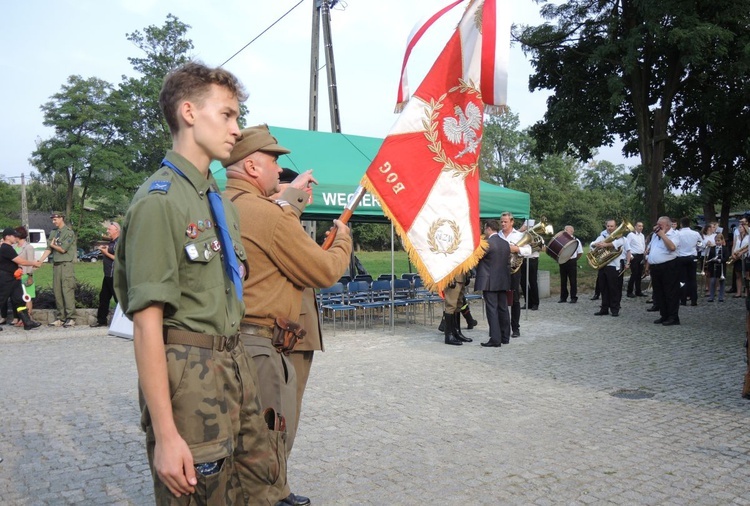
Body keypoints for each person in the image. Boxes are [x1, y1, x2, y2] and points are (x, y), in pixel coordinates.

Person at [113, 62, 285, 505]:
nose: (236, 128)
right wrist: (167, 434)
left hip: (234, 359)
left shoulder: (217, 202)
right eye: (227, 115)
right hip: (190, 373)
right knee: (200, 494)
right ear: (189, 112)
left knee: (258, 486)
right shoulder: (160, 202)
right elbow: (148, 326)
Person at [223, 125, 352, 506]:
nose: (279, 171)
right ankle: (268, 496)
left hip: (226, 340)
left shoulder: (216, 203)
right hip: (262, 342)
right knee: (267, 438)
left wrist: (289, 200)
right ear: (250, 165)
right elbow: (324, 271)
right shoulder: (267, 214)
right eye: (273, 161)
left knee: (237, 437)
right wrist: (343, 236)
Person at [475, 219, 512, 347]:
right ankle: (505, 336)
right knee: (503, 308)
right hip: (502, 281)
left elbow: (476, 258)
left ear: (489, 228)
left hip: (489, 281)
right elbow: (508, 264)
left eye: (485, 229)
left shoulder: (487, 243)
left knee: (492, 310)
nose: (484, 231)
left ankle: (495, 339)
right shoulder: (505, 243)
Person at [38, 212, 77, 327]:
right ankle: (61, 317)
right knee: (57, 292)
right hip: (56, 265)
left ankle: (71, 317)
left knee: (67, 291)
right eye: (53, 219)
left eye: (55, 219)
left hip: (66, 265)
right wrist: (40, 261)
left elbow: (63, 249)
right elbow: (48, 248)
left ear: (61, 218)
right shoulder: (54, 233)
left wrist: (54, 245)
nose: (53, 221)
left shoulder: (69, 233)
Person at [0, 228, 41, 330]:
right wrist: (34, 263)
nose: (16, 238)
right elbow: (20, 261)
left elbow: (16, 263)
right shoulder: (6, 248)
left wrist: (18, 269)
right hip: (6, 278)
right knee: (1, 299)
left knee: (19, 300)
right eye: (14, 236)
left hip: (14, 278)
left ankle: (27, 322)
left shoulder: (9, 248)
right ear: (7, 237)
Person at [497, 212, 529, 337]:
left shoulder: (519, 235)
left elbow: (529, 250)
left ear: (512, 222)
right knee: (501, 299)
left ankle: (515, 328)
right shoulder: (498, 235)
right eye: (502, 221)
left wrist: (517, 249)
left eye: (505, 221)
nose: (503, 224)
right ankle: (503, 328)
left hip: (514, 271)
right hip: (499, 270)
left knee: (515, 300)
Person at [646, 216, 681, 325]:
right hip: (655, 267)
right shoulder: (655, 236)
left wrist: (662, 235)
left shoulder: (675, 235)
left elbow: (672, 247)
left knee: (670, 292)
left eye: (660, 225)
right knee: (659, 293)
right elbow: (651, 250)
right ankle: (664, 315)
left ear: (667, 225)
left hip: (669, 266)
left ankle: (673, 317)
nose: (657, 227)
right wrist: (648, 264)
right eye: (657, 224)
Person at [591, 219, 625, 317]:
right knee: (603, 288)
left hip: (613, 265)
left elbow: (619, 243)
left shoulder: (619, 236)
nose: (609, 228)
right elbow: (592, 244)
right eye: (608, 226)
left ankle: (615, 309)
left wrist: (606, 244)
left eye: (611, 226)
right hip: (602, 265)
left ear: (615, 227)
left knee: (613, 288)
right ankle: (604, 308)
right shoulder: (603, 236)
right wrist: (595, 244)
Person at [91, 221, 120, 327]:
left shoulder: (119, 242)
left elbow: (118, 259)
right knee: (103, 297)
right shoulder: (112, 242)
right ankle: (101, 320)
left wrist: (105, 253)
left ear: (116, 230)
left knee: (118, 299)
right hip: (107, 275)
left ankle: (123, 321)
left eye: (109, 229)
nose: (107, 231)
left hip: (114, 275)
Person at [441, 272, 473, 346]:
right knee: (451, 305)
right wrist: (449, 278)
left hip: (461, 277)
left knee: (458, 305)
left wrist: (467, 275)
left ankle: (457, 332)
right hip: (452, 278)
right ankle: (449, 335)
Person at [676, 217, 702, 306]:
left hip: (681, 257)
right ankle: (694, 299)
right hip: (692, 257)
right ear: (689, 224)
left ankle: (683, 299)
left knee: (682, 280)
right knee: (692, 279)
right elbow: (700, 245)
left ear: (681, 224)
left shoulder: (678, 234)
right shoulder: (695, 234)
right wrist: (695, 248)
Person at [558, 225, 583, 303]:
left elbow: (580, 252)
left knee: (573, 280)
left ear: (572, 231)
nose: (565, 231)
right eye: (565, 230)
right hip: (563, 261)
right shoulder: (561, 240)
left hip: (572, 261)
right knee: (563, 280)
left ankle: (573, 297)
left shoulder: (576, 240)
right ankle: (563, 297)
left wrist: (575, 259)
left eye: (567, 230)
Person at [706, 233, 729, 302]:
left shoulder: (725, 249)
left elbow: (726, 258)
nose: (717, 242)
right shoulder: (712, 249)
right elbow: (710, 258)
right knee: (712, 282)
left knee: (722, 282)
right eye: (716, 241)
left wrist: (720, 260)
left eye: (718, 240)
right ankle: (711, 296)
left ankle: (721, 297)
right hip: (713, 267)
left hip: (721, 267)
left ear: (722, 241)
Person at [626, 221, 646, 298]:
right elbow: (627, 246)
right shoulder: (631, 235)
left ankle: (638, 291)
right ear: (635, 227)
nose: (641, 227)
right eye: (639, 226)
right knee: (634, 274)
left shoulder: (642, 235)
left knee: (639, 274)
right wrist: (630, 256)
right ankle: (629, 291)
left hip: (641, 256)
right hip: (634, 256)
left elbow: (643, 245)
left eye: (642, 226)